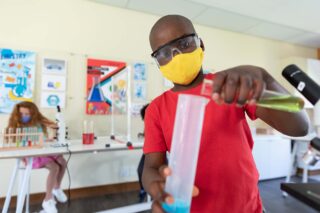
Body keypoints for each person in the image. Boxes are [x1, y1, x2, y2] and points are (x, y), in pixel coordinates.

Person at [142, 15, 309, 213]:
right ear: (158, 62)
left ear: (200, 44)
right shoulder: (157, 109)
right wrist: (156, 186)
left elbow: (300, 126)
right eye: (164, 53)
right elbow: (151, 167)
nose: (176, 56)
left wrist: (265, 80)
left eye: (184, 43)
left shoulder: (229, 86)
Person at [7, 101, 68, 213]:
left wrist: (52, 137)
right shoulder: (17, 125)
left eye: (27, 114)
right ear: (17, 114)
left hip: (43, 149)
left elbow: (55, 125)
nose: (24, 117)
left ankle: (56, 188)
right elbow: (16, 141)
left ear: (33, 113)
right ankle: (48, 199)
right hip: (32, 154)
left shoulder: (38, 121)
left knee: (62, 162)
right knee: (54, 167)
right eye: (22, 114)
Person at [137, 104, 149, 202]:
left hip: (161, 153)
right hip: (148, 151)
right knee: (140, 170)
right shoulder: (147, 124)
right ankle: (143, 190)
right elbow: (146, 133)